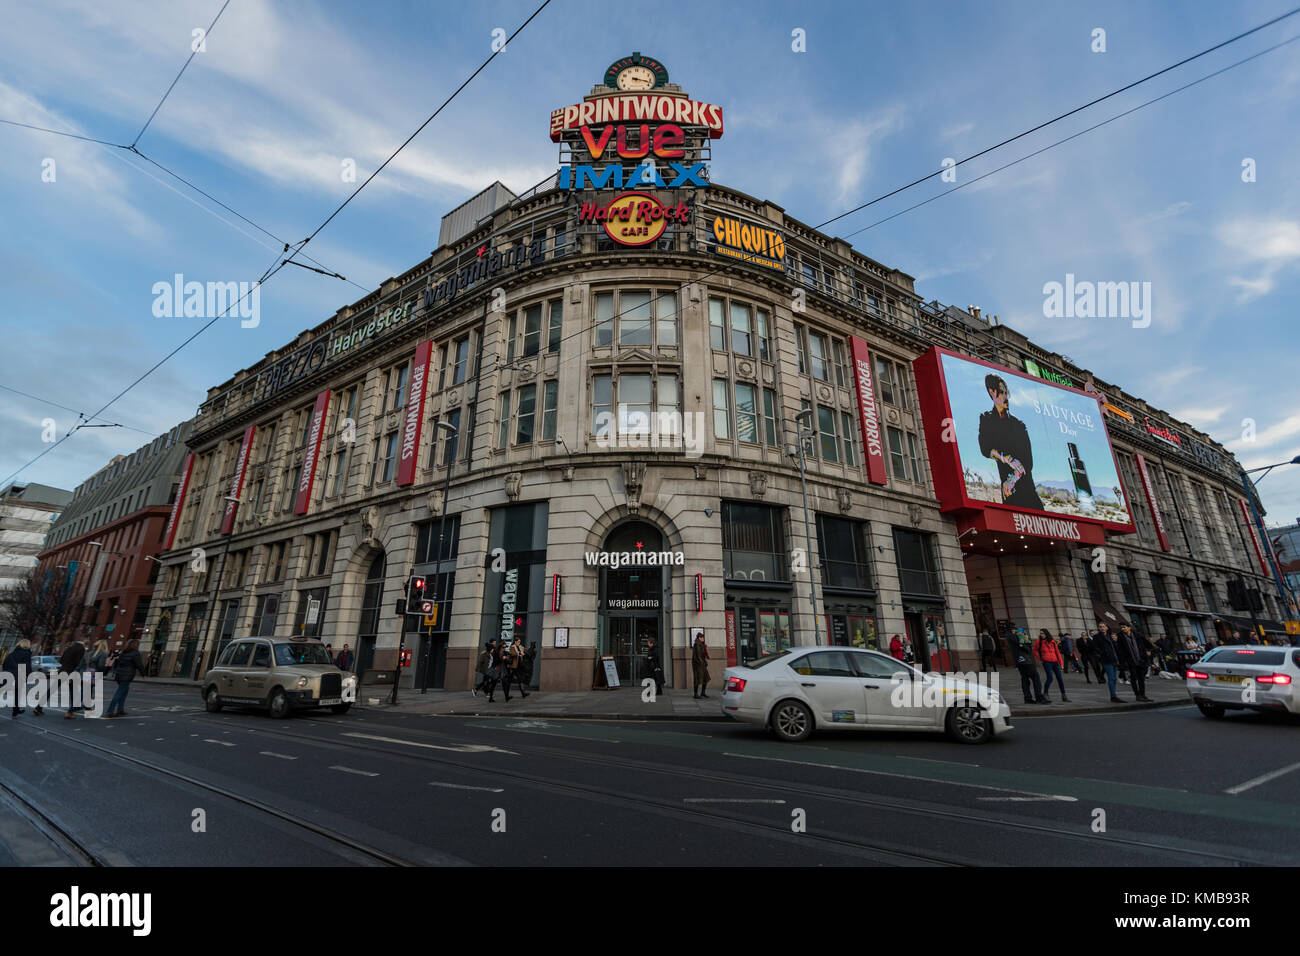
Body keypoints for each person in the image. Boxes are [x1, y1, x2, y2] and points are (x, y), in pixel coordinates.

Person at [978, 373, 1044, 510]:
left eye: (1007, 393)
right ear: (992, 392)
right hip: (1009, 494)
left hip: (1027, 490)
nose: (1006, 397)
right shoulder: (986, 419)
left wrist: (1012, 479)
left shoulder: (1018, 425)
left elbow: (1028, 462)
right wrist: (1007, 459)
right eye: (1002, 392)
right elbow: (985, 449)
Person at [105, 639, 146, 717]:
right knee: (119, 693)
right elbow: (139, 664)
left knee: (124, 692)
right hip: (127, 675)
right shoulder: (135, 653)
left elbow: (118, 662)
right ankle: (109, 711)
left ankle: (120, 709)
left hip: (119, 675)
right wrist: (143, 674)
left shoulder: (123, 652)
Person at [3, 639, 42, 716]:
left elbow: (5, 664)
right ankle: (15, 712)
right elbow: (27, 667)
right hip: (18, 676)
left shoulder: (12, 654)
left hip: (7, 675)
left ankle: (16, 710)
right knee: (17, 694)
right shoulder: (26, 654)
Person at [1012, 628, 1048, 704]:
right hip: (1027, 662)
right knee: (1036, 679)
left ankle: (1027, 698)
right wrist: (1024, 645)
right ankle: (1039, 697)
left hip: (1020, 662)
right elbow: (1027, 650)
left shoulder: (1013, 639)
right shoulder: (1022, 638)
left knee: (1025, 680)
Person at [1117, 624, 1151, 702]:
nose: (1122, 629)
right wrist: (1122, 662)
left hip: (1140, 659)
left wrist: (1149, 650)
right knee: (1133, 678)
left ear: (1129, 628)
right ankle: (1137, 695)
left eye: (1124, 627)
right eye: (1121, 628)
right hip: (1130, 661)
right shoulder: (1121, 637)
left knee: (1141, 678)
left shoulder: (1138, 635)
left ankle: (1143, 694)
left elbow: (1147, 644)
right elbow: (1120, 651)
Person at [1035, 629, 1069, 702]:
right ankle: (1045, 693)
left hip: (1055, 662)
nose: (1041, 635)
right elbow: (1035, 650)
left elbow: (1057, 653)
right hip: (1047, 662)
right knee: (1050, 678)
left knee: (1060, 678)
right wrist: (1041, 658)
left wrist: (1061, 663)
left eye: (1043, 633)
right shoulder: (1039, 642)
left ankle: (1064, 695)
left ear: (1046, 633)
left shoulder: (1053, 641)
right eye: (1040, 633)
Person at [1093, 623, 1123, 702]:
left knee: (1114, 679)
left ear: (1107, 628)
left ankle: (1114, 695)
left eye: (1104, 626)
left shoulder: (1110, 636)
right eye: (1100, 627)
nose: (1102, 628)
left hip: (1114, 658)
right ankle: (1113, 696)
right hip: (1106, 659)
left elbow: (1114, 647)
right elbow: (1095, 648)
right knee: (1111, 678)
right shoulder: (1096, 637)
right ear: (1098, 628)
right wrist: (1102, 653)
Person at [59, 638, 87, 719]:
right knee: (76, 690)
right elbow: (79, 662)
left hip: (62, 670)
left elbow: (61, 660)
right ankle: (72, 710)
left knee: (53, 688)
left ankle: (39, 707)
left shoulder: (69, 648)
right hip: (72, 671)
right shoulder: (81, 649)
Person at [692, 633, 710, 699]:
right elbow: (698, 656)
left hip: (702, 664)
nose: (703, 639)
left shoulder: (701, 644)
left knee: (705, 678)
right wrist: (702, 663)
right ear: (699, 638)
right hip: (698, 665)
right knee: (697, 679)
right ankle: (695, 694)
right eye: (702, 637)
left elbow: (702, 655)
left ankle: (703, 693)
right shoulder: (697, 645)